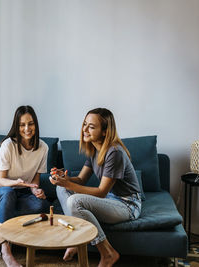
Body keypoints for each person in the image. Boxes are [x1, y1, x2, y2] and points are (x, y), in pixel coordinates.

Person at [50, 108, 142, 267]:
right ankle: (76, 240)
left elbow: (101, 192)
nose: (84, 129)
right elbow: (80, 179)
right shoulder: (94, 149)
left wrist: (68, 183)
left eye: (91, 127)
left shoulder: (114, 153)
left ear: (105, 131)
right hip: (111, 200)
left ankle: (108, 253)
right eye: (84, 124)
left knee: (74, 201)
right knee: (61, 189)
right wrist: (64, 179)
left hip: (128, 205)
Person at [0, 105, 50, 267]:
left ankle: (0, 209)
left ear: (36, 124)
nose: (27, 129)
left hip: (23, 193)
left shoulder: (43, 148)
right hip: (3, 190)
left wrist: (36, 190)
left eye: (30, 124)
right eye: (22, 125)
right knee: (8, 194)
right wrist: (16, 182)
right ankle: (5, 249)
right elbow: (1, 180)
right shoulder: (8, 145)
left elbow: (35, 181)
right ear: (17, 126)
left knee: (42, 204)